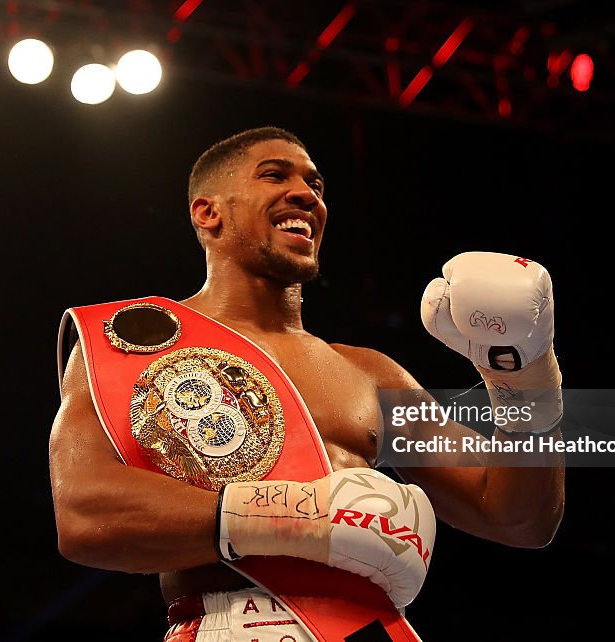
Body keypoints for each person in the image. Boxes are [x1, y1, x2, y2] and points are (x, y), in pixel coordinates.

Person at [49, 126, 565, 641]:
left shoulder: (371, 374)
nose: (306, 194)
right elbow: (83, 512)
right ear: (209, 213)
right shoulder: (133, 344)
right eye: (274, 175)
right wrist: (300, 518)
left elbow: (517, 518)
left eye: (316, 185)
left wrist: (522, 374)